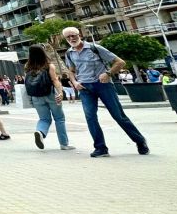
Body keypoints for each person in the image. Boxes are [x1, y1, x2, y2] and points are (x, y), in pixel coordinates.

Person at [61, 27, 148, 158]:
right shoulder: (69, 53)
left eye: (73, 35)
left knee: (118, 116)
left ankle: (140, 141)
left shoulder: (95, 48)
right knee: (90, 117)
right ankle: (100, 148)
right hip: (85, 88)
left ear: (80, 35)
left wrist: (108, 73)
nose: (71, 39)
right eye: (68, 37)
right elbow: (71, 71)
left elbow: (120, 62)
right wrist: (74, 82)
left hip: (103, 85)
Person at [24, 45, 73, 150]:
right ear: (43, 52)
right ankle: (64, 144)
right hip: (50, 94)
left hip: (36, 96)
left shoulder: (27, 67)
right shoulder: (49, 66)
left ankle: (40, 132)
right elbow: (55, 80)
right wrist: (60, 92)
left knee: (44, 119)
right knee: (59, 118)